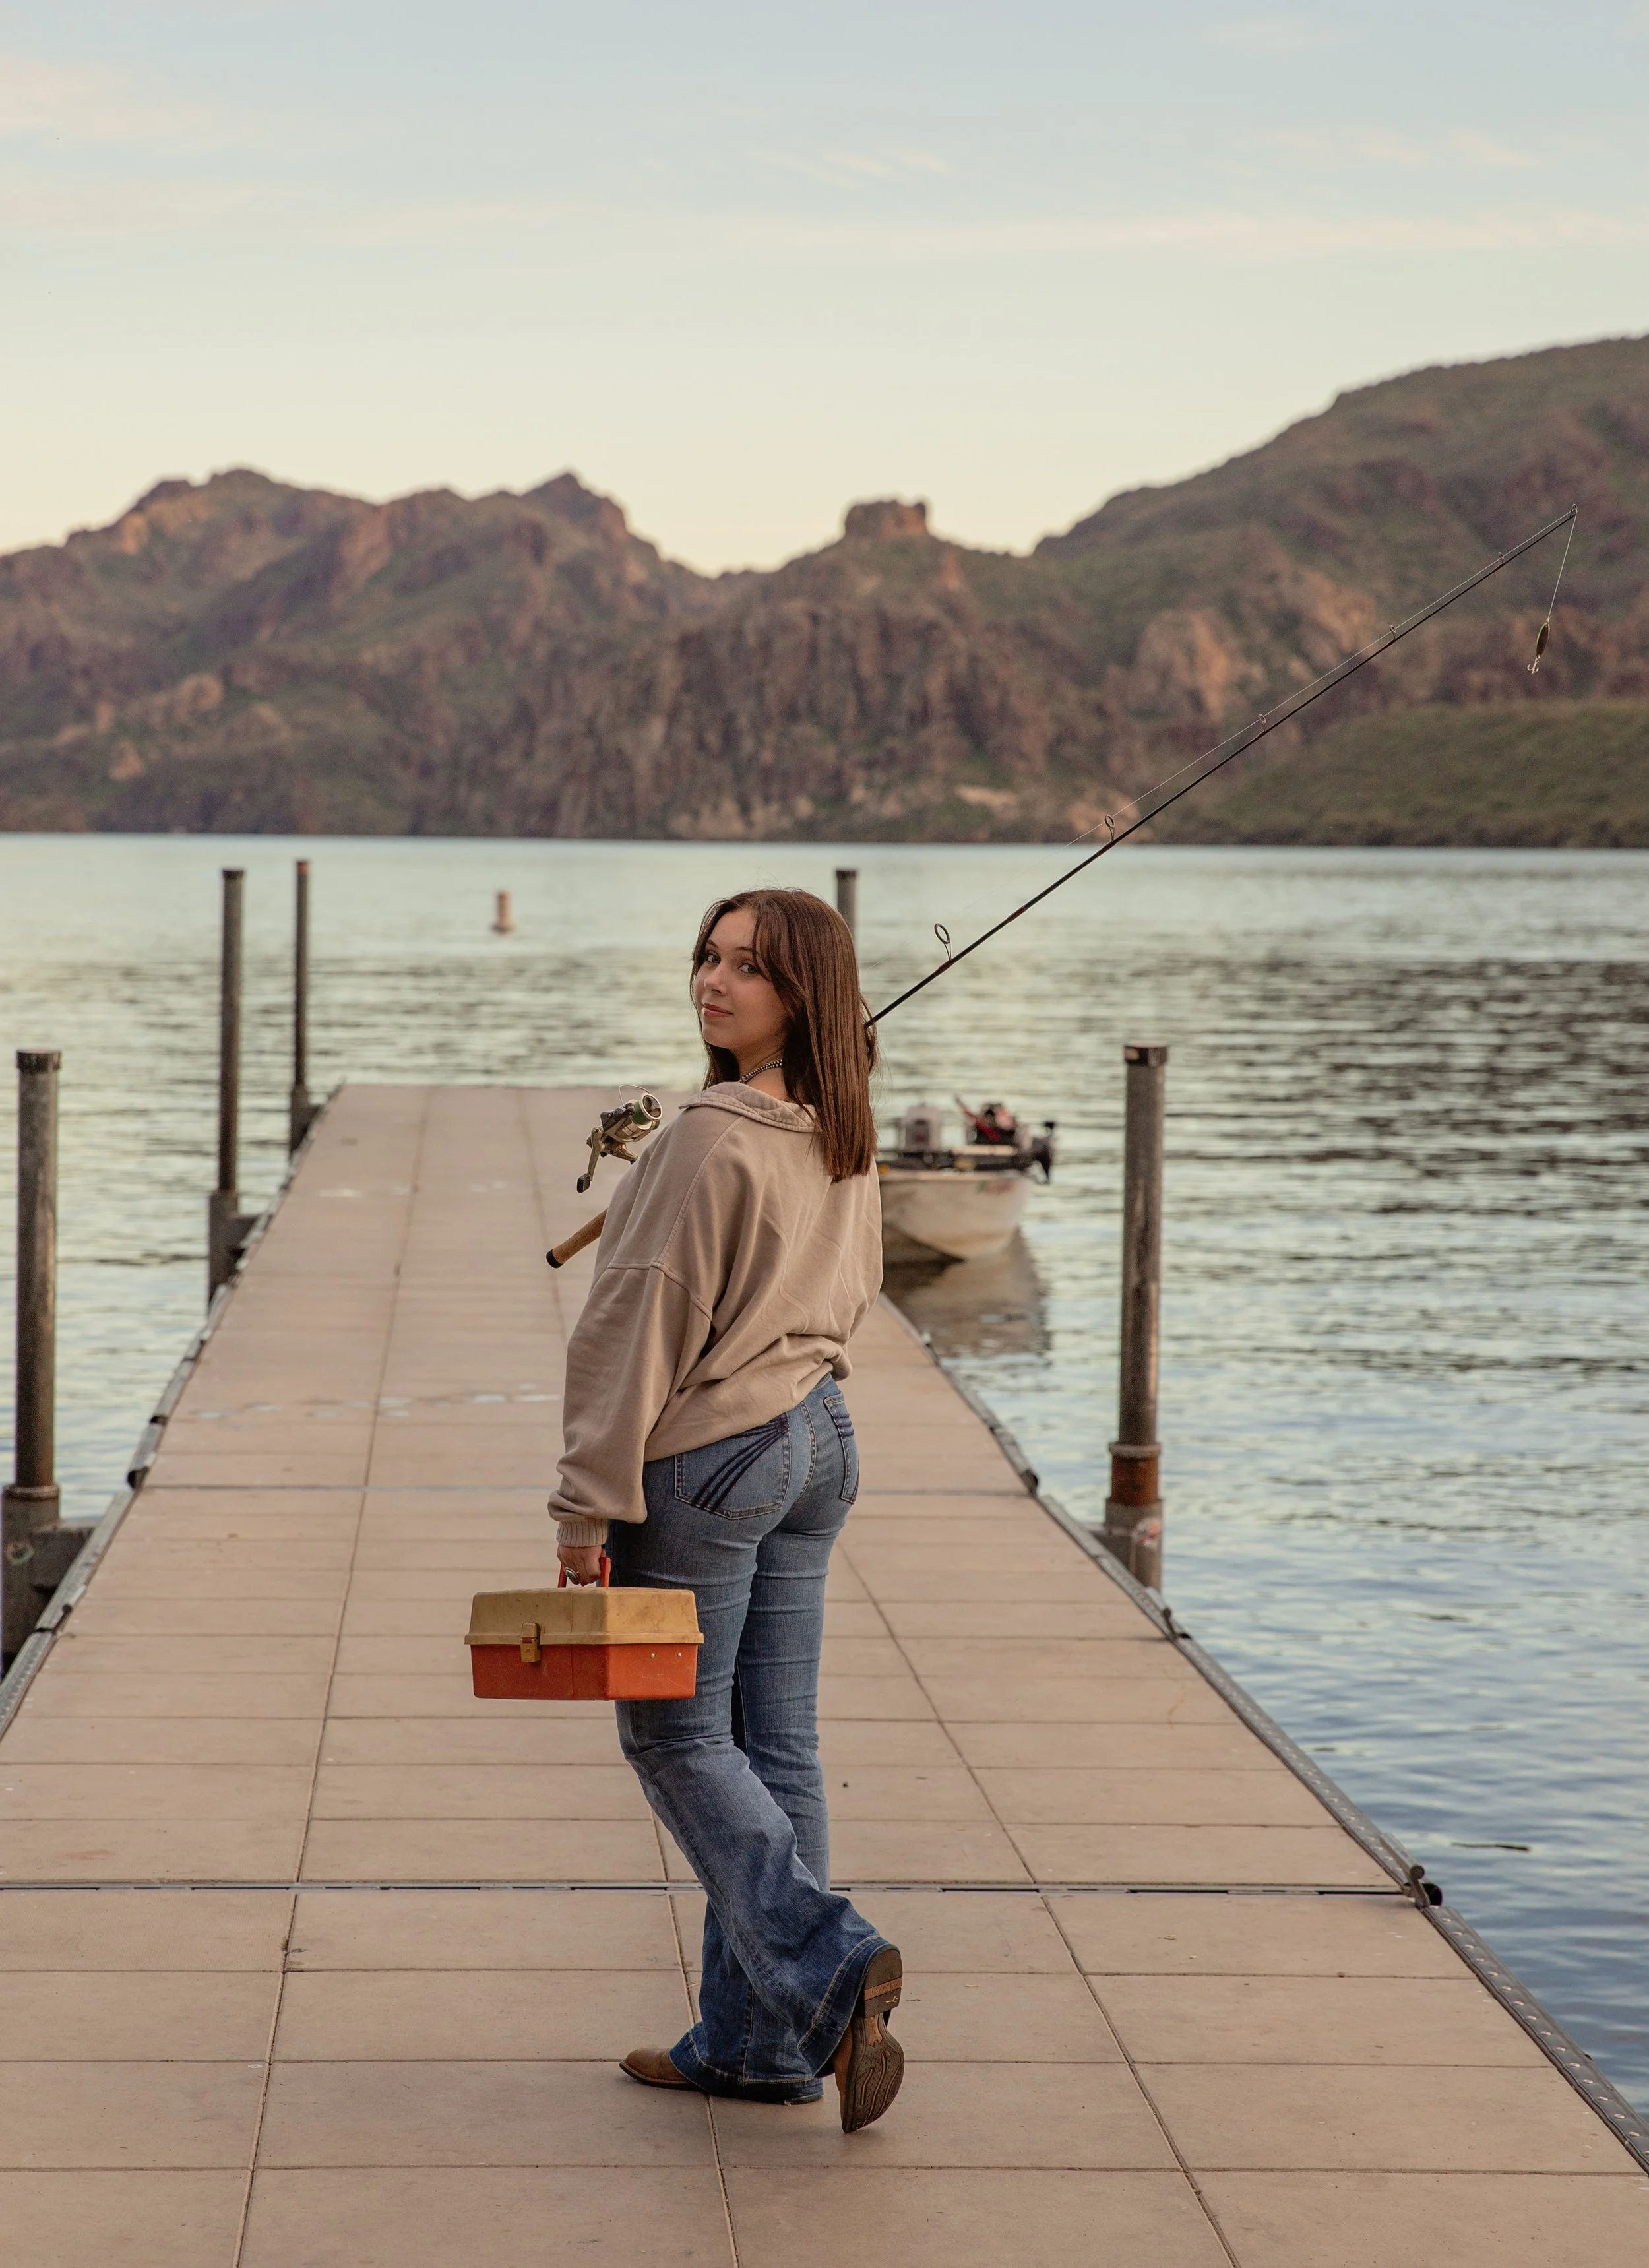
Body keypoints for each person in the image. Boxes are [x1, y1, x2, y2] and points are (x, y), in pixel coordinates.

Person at [549, 887, 902, 2130]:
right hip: (817, 1436)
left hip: (710, 1458)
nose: (714, 979)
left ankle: (829, 1958)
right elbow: (857, 1284)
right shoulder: (841, 1119)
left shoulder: (706, 1133)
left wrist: (585, 1511)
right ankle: (755, 2050)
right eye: (707, 954)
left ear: (802, 992)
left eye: (748, 966)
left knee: (677, 1741)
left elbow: (630, 1326)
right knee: (779, 1746)